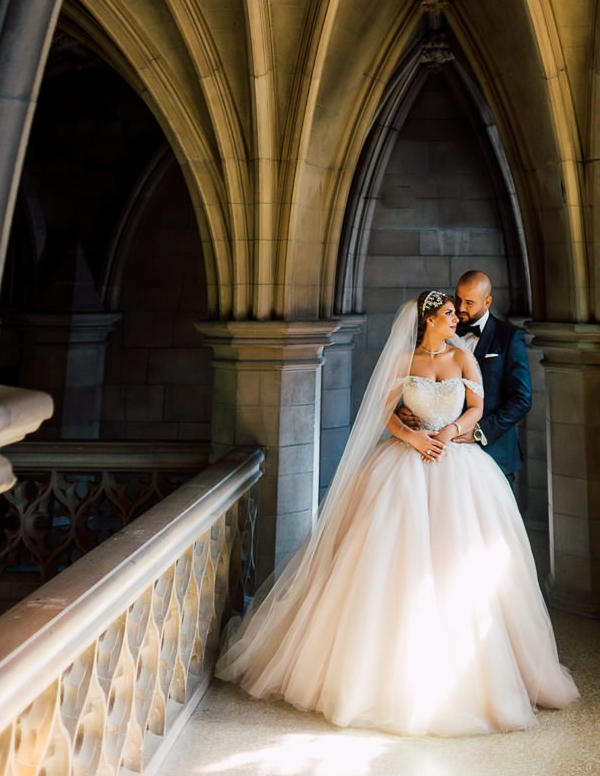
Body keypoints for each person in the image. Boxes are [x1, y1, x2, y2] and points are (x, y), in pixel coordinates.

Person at [216, 290, 578, 737]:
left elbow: (479, 406)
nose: (455, 320)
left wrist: (448, 431)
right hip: (405, 460)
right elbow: (384, 413)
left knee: (460, 563)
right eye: (448, 314)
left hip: (456, 462)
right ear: (428, 320)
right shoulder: (402, 359)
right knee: (387, 560)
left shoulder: (463, 356)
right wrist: (411, 438)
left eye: (455, 314)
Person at [402, 269, 532, 484]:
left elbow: (522, 398)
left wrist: (479, 432)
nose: (461, 309)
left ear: (487, 302)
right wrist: (409, 408)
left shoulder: (509, 337)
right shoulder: (445, 327)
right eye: (458, 299)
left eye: (469, 303)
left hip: (492, 450)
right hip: (432, 450)